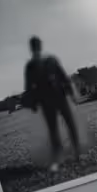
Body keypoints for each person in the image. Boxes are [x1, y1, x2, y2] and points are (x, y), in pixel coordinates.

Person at [23, 36, 81, 173]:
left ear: (39, 46)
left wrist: (72, 93)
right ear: (32, 48)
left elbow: (63, 76)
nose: (36, 48)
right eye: (34, 46)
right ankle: (58, 157)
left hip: (59, 96)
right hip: (46, 100)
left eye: (36, 45)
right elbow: (29, 87)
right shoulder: (30, 66)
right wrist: (33, 102)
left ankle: (77, 152)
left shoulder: (51, 60)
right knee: (54, 130)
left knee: (70, 123)